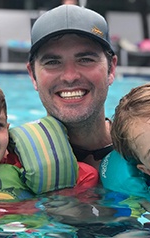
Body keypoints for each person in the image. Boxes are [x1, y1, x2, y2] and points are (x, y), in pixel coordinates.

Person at [26, 4, 117, 170]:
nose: (70, 76)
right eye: (53, 62)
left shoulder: (146, 152)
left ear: (111, 69)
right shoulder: (10, 160)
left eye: (86, 60)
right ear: (33, 75)